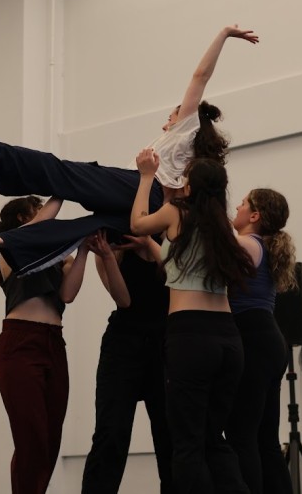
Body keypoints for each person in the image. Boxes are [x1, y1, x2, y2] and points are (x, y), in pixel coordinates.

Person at [0, 24, 259, 276]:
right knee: (83, 230)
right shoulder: (198, 167)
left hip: (139, 187)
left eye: (170, 118)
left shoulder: (186, 127)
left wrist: (223, 34)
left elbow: (200, 76)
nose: (166, 124)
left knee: (62, 171)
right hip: (152, 214)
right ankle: (2, 241)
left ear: (186, 121)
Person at [130, 150, 256, 494]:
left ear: (190, 184)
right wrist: (154, 250)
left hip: (190, 337)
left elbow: (138, 223)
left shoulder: (177, 212)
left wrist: (145, 177)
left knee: (186, 444)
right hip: (228, 339)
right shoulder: (224, 228)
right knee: (214, 439)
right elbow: (181, 270)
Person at [0, 195, 90, 494]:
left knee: (50, 439)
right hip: (20, 343)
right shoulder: (11, 248)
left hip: (54, 344)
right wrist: (62, 188)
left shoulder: (58, 257)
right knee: (32, 437)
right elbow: (35, 232)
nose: (45, 214)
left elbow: (68, 295)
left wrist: (84, 252)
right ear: (24, 218)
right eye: (38, 210)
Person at [80, 230, 173, 494]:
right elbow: (124, 300)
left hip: (165, 343)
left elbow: (177, 281)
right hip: (123, 343)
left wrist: (149, 243)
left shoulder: (172, 241)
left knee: (170, 436)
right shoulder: (114, 249)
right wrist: (108, 256)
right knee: (110, 433)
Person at [225, 189, 297, 494]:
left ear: (254, 216)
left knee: (242, 435)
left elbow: (209, 244)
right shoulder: (263, 246)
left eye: (242, 203)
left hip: (252, 339)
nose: (237, 207)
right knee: (265, 439)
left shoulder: (244, 243)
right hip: (269, 338)